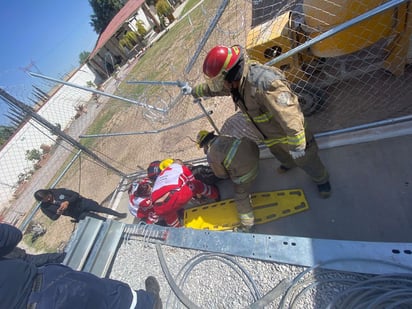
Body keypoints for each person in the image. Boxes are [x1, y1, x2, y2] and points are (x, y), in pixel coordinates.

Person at [182, 45, 331, 198]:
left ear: (230, 76)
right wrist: (194, 91)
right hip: (270, 135)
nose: (222, 85)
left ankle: (322, 180)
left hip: (290, 135)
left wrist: (297, 145)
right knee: (280, 154)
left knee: (307, 160)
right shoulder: (237, 83)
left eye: (221, 81)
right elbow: (217, 89)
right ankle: (288, 163)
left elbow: (290, 115)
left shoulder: (265, 84)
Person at [0, 222, 162, 309]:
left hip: (37, 290)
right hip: (50, 287)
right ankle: (148, 304)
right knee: (112, 297)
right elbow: (12, 235)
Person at [196, 130, 260, 231]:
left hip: (248, 173)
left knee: (241, 197)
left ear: (204, 145)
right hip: (255, 158)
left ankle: (248, 225)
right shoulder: (225, 137)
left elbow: (222, 175)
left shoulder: (211, 154)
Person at [150, 158, 220, 227]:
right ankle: (215, 194)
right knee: (197, 185)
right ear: (180, 164)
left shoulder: (160, 176)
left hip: (158, 208)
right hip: (174, 198)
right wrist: (199, 197)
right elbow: (193, 181)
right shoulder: (180, 168)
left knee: (171, 218)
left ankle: (178, 230)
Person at [34, 188, 127, 223]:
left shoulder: (57, 191)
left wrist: (67, 202)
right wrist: (59, 212)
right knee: (99, 219)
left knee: (102, 209)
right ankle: (114, 224)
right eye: (45, 200)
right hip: (77, 214)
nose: (49, 199)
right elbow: (53, 218)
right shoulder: (44, 207)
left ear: (48, 193)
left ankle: (119, 215)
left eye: (48, 196)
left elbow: (75, 194)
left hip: (82, 203)